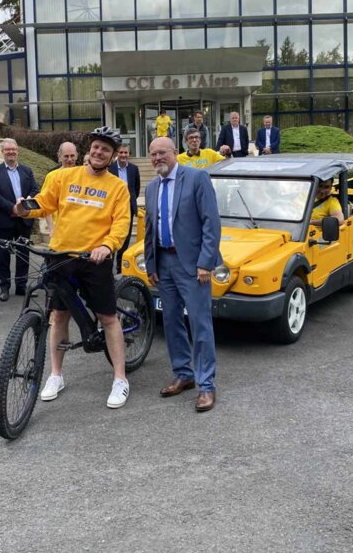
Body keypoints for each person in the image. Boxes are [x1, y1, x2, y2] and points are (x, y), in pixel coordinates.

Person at [14, 127, 132, 409]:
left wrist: (108, 245)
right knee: (59, 315)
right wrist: (24, 208)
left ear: (113, 156)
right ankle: (56, 374)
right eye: (96, 147)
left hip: (95, 259)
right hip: (62, 256)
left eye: (106, 149)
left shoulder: (117, 187)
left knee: (107, 318)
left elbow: (121, 223)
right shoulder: (61, 177)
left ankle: (120, 378)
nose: (99, 152)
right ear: (88, 150)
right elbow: (44, 203)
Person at [144, 137, 222, 413]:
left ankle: (206, 385)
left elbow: (211, 223)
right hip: (164, 264)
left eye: (162, 153)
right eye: (152, 154)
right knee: (171, 321)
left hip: (193, 265)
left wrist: (205, 263)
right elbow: (150, 229)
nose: (157, 158)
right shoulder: (152, 187)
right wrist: (151, 265)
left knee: (200, 324)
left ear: (175, 152)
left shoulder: (197, 178)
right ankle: (184, 374)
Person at [0, 138, 40, 302]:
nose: (11, 152)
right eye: (7, 150)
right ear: (2, 152)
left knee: (23, 253)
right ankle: (5, 287)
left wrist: (25, 205)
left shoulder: (27, 170)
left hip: (24, 220)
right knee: (3, 255)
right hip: (5, 218)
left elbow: (34, 189)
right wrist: (13, 208)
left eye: (14, 149)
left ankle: (21, 286)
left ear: (17, 151)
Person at [108, 143, 141, 273]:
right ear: (117, 153)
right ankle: (108, 268)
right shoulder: (110, 168)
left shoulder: (134, 168)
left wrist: (131, 201)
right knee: (111, 236)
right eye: (121, 152)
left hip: (128, 208)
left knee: (125, 239)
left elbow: (136, 189)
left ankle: (121, 268)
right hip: (112, 208)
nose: (123, 155)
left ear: (129, 154)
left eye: (126, 153)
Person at [41, 141, 79, 236]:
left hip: (78, 229)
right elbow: (45, 204)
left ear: (77, 156)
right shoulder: (52, 176)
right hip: (59, 229)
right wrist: (51, 228)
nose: (70, 159)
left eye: (72, 156)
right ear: (59, 156)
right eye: (66, 156)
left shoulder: (82, 175)